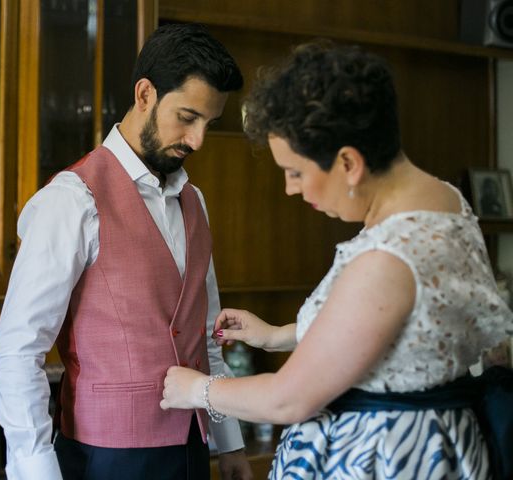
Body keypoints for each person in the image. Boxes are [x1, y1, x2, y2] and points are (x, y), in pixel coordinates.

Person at [160, 40, 513, 479]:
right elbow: (394, 336)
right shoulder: (442, 201)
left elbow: (289, 398)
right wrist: (276, 336)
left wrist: (197, 389)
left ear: (348, 162)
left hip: (384, 457)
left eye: (296, 172)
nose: (292, 189)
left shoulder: (388, 258)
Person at [0, 23, 253, 480]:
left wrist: (229, 443)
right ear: (145, 93)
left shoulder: (195, 201)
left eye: (209, 124)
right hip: (104, 460)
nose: (197, 141)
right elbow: (17, 352)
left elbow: (205, 338)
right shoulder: (72, 200)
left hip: (192, 452)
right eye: (187, 117)